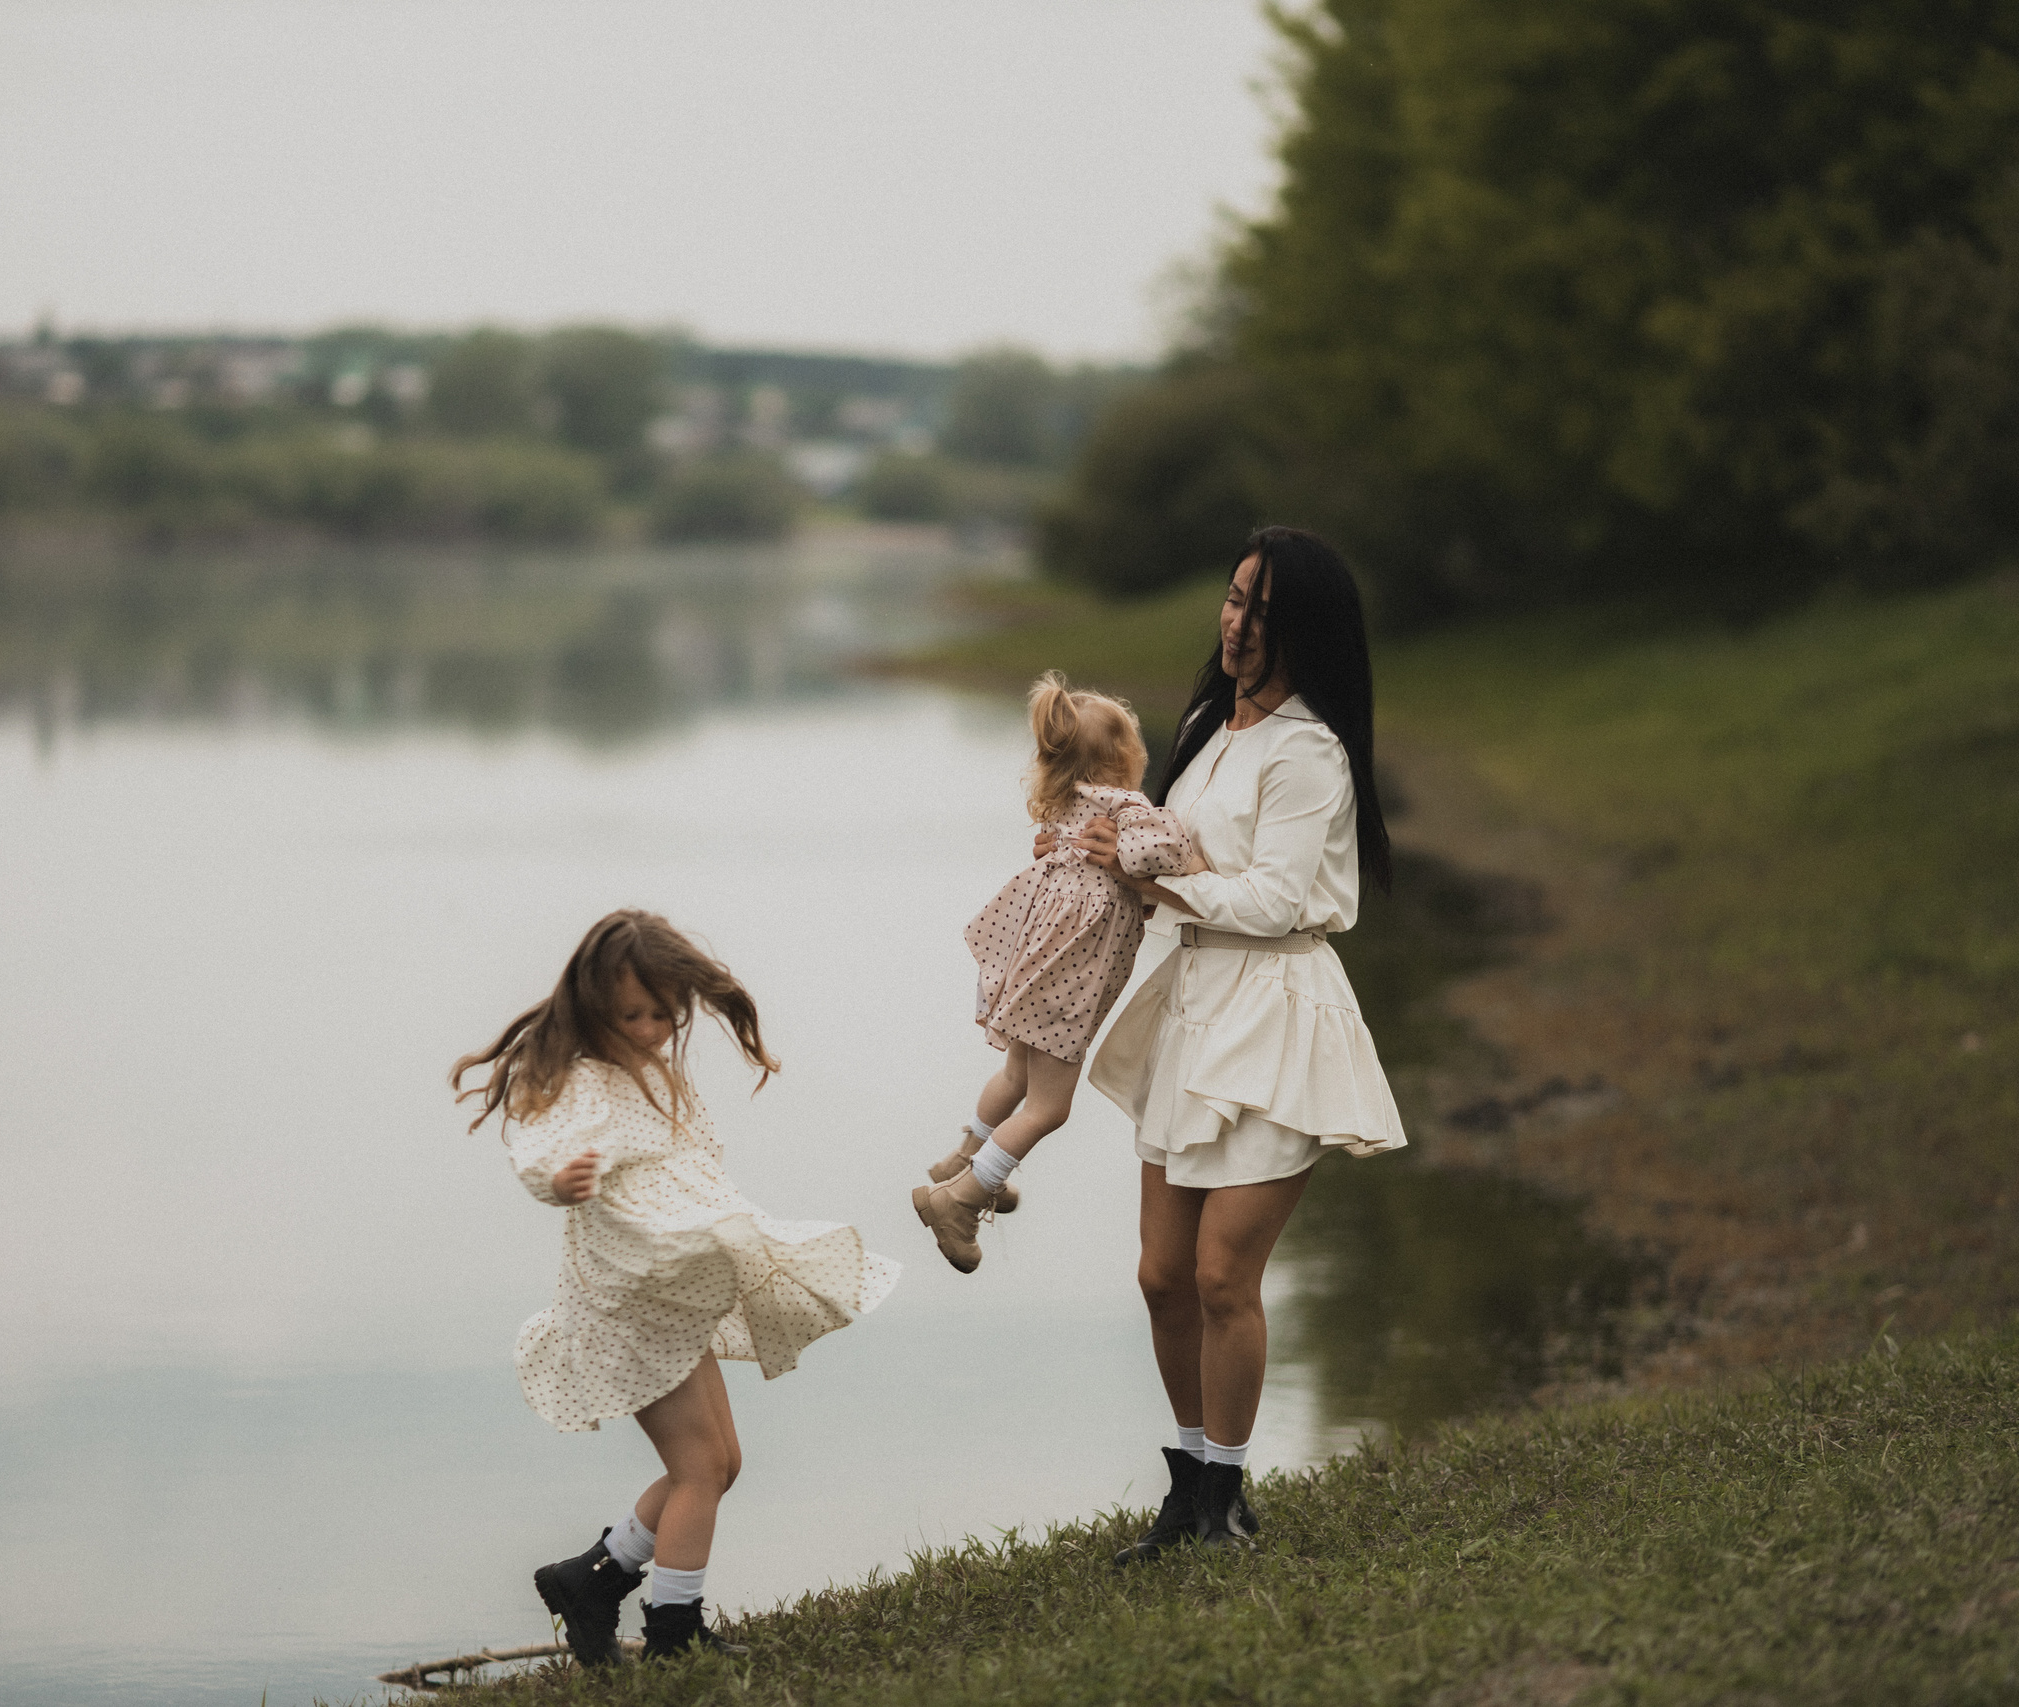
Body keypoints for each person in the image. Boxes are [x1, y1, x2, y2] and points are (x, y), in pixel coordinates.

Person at [1064, 526, 1405, 1556]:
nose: (1238, 624)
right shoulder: (1214, 725)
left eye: (1262, 610)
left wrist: (1155, 880)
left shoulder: (1308, 748)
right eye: (1231, 599)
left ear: (1304, 629)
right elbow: (1166, 848)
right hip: (1194, 1005)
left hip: (1276, 1013)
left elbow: (1278, 897)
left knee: (1223, 1276)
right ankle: (1186, 1488)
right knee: (1161, 1275)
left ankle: (1224, 1499)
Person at [452, 910, 900, 1666]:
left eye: (666, 1012)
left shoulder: (650, 1067)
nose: (653, 1027)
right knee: (699, 1470)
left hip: (667, 1295)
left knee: (721, 1462)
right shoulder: (580, 1076)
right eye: (633, 1013)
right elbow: (537, 1148)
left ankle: (594, 1576)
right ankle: (673, 1633)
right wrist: (559, 1180)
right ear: (593, 1001)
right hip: (626, 1302)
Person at [912, 672, 1202, 1273]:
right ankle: (960, 1201)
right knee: (1050, 1108)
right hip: (1069, 982)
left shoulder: (1064, 809)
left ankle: (965, 1158)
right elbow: (1172, 851)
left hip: (1034, 967)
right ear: (1126, 759)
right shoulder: (1123, 809)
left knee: (1015, 1074)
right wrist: (1193, 851)